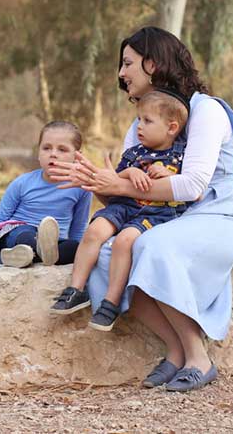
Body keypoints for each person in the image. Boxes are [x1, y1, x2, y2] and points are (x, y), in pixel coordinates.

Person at [49, 26, 233, 392]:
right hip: (165, 220)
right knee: (108, 257)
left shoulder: (206, 111)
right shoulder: (141, 127)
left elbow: (192, 186)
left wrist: (118, 183)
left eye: (128, 63)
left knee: (151, 247)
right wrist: (97, 183)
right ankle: (174, 351)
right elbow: (132, 200)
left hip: (213, 220)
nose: (121, 74)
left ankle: (197, 356)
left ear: (152, 64)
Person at [50, 91, 190, 333]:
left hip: (154, 214)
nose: (139, 126)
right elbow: (114, 180)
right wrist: (130, 173)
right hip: (124, 204)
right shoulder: (134, 153)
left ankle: (111, 302)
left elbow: (193, 189)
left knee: (124, 242)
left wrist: (171, 176)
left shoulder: (181, 155)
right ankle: (76, 289)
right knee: (95, 231)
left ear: (171, 127)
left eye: (147, 121)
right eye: (138, 119)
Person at [0, 121, 92, 268]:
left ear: (77, 156)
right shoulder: (23, 183)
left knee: (73, 247)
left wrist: (79, 257)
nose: (53, 154)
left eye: (62, 150)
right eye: (46, 148)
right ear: (38, 152)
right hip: (18, 234)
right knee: (27, 235)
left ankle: (25, 257)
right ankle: (24, 253)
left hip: (54, 242)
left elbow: (78, 227)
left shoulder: (82, 187)